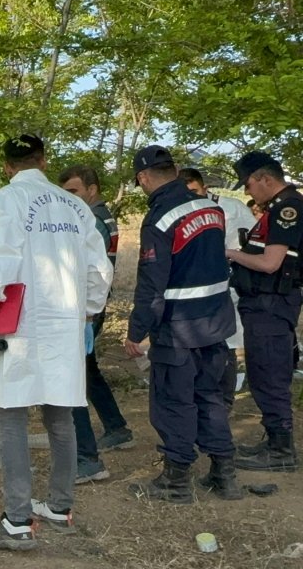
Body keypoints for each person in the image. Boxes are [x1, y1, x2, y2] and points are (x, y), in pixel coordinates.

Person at [0, 135, 113, 551]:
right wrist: (87, 314)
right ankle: (60, 506)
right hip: (65, 325)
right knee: (60, 416)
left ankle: (17, 521)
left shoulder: (7, 199)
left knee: (11, 416)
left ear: (6, 166)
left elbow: (0, 260)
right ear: (44, 161)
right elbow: (98, 269)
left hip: (22, 324)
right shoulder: (74, 205)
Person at [123, 145, 242, 503]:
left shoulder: (161, 217)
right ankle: (224, 473)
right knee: (210, 397)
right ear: (174, 170)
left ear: (144, 178)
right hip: (216, 324)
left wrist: (136, 330)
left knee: (174, 400)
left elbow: (151, 283)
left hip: (178, 328)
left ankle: (175, 480)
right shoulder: (211, 208)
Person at [226, 150, 302, 472]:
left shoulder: (287, 208)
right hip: (262, 305)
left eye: (248, 183)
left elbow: (271, 263)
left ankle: (282, 451)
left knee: (269, 375)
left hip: (271, 305)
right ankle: (273, 440)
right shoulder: (276, 209)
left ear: (264, 179)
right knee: (262, 373)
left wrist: (230, 253)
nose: (246, 191)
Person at [57, 165, 134, 485]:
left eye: (74, 191)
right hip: (88, 309)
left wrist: (85, 315)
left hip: (85, 311)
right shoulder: (96, 217)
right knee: (87, 372)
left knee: (72, 380)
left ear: (92, 189)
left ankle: (87, 459)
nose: (69, 198)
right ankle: (116, 427)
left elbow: (89, 269)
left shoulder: (94, 221)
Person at [180, 166, 258, 409]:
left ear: (205, 187)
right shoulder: (180, 211)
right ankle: (202, 400)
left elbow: (252, 244)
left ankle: (224, 403)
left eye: (195, 191)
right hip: (194, 290)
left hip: (229, 283)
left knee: (228, 344)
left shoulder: (232, 208)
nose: (192, 196)